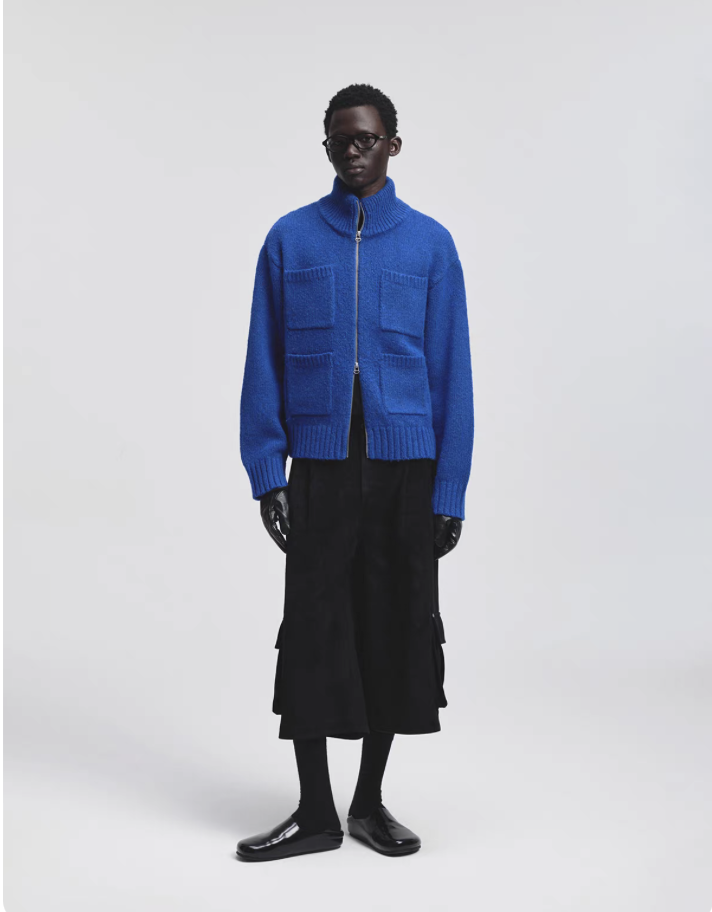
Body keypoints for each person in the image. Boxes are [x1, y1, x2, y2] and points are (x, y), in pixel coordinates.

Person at [236, 83, 475, 862]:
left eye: (367, 138)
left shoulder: (431, 245)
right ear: (327, 146)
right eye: (340, 138)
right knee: (313, 630)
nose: (353, 150)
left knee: (393, 628)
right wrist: (267, 470)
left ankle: (368, 803)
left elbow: (452, 372)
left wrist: (449, 489)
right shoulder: (290, 239)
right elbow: (263, 360)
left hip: (407, 471)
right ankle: (315, 811)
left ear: (393, 144)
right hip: (322, 467)